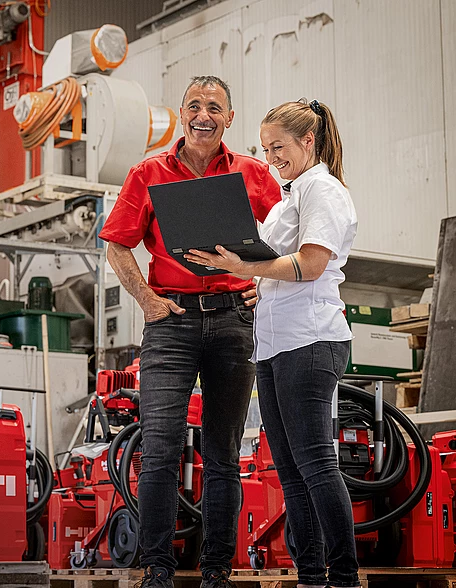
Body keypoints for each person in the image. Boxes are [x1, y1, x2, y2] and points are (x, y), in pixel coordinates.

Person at [99, 76, 281, 588]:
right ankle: (156, 569)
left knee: (223, 452)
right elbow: (117, 244)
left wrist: (262, 285)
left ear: (230, 118)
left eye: (215, 108)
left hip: (233, 322)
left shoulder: (254, 173)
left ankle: (217, 571)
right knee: (160, 448)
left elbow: (288, 237)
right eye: (195, 106)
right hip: (170, 322)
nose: (204, 115)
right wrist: (145, 299)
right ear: (182, 113)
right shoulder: (148, 173)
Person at [184, 98, 359, 588]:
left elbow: (310, 265)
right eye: (264, 149)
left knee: (316, 463)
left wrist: (245, 269)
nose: (270, 157)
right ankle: (311, 575)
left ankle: (343, 575)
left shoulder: (322, 190)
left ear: (309, 140)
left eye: (278, 146)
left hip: (310, 338)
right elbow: (274, 263)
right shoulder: (288, 196)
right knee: (289, 468)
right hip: (275, 342)